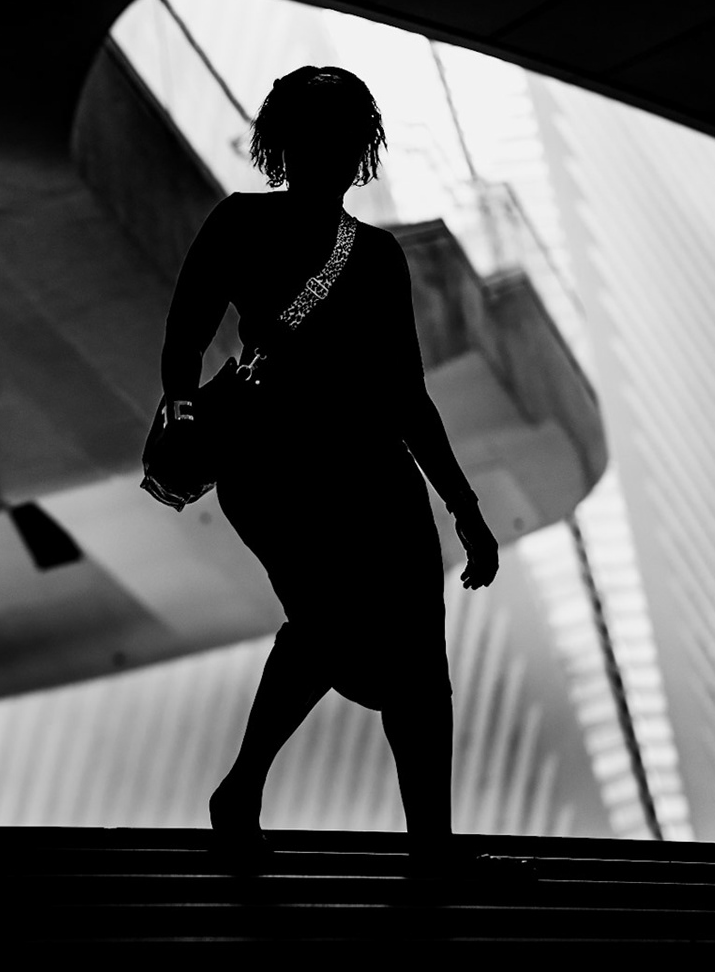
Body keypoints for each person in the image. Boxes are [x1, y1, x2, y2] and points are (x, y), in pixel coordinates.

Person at [156, 66, 500, 862]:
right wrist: (179, 413)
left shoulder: (378, 256)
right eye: (323, 135)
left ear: (362, 149)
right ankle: (243, 787)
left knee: (417, 656)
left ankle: (430, 849)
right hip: (275, 466)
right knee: (330, 621)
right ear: (286, 143)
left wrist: (463, 504)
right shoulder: (239, 223)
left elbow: (407, 395)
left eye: (348, 136)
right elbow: (184, 336)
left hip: (375, 471)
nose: (337, 151)